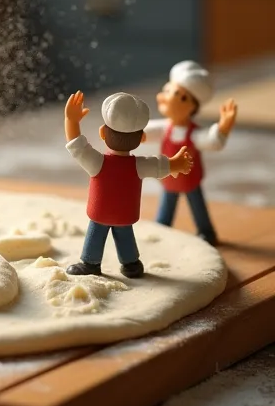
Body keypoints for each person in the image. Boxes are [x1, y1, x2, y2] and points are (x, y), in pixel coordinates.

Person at [64, 90, 193, 278]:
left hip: (100, 213)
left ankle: (91, 264)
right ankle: (131, 264)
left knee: (96, 234)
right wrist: (176, 164)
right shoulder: (138, 165)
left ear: (102, 133)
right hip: (125, 213)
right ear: (141, 138)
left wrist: (71, 121)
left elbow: (77, 146)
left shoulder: (96, 161)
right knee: (125, 235)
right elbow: (159, 165)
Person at [145, 60, 238, 246]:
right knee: (166, 207)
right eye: (168, 90)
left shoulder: (193, 133)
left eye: (176, 94)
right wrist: (131, 133)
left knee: (197, 206)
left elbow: (212, 141)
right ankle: (163, 229)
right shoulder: (165, 128)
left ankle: (206, 232)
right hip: (169, 177)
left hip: (189, 179)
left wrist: (223, 127)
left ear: (189, 105)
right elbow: (146, 131)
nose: (164, 97)